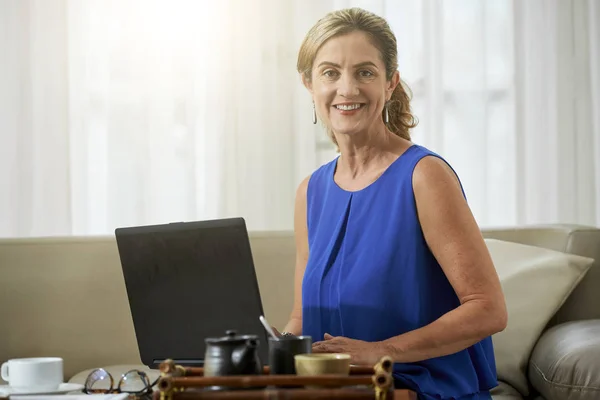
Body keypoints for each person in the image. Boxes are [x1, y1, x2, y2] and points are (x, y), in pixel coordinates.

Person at [277, 7, 508, 400]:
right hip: (334, 389)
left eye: (364, 72)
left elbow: (488, 308)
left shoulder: (424, 175)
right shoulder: (309, 192)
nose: (347, 89)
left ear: (390, 83)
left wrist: (381, 352)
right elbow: (301, 318)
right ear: (309, 84)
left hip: (420, 385)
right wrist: (268, 352)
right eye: (330, 72)